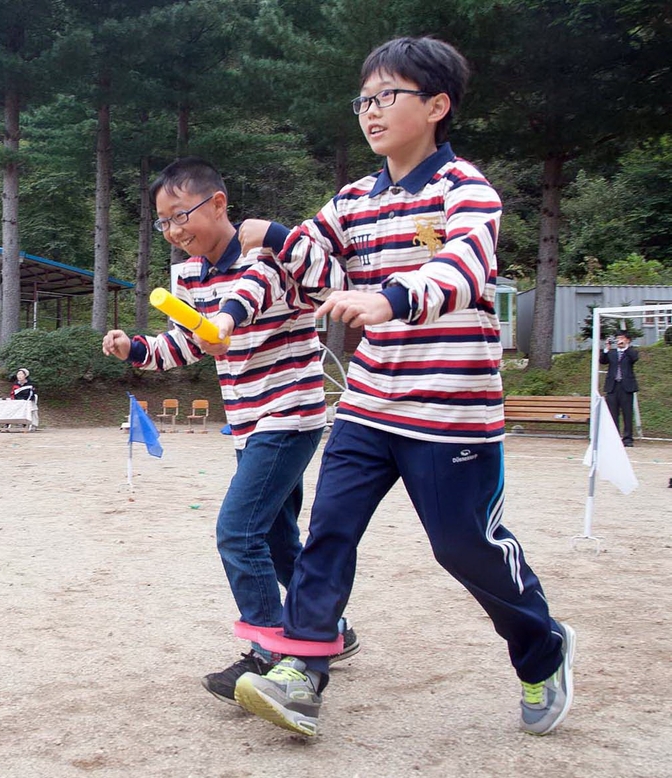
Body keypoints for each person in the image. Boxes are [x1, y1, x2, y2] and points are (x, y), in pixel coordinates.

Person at [216, 36, 574, 738]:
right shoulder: (354, 199)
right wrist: (261, 259)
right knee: (329, 531)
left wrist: (393, 298)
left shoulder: (464, 190)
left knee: (463, 546)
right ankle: (301, 671)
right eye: (364, 100)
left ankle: (543, 649)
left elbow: (465, 266)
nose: (371, 112)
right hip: (369, 402)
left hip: (450, 410)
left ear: (437, 105)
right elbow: (306, 268)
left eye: (388, 97)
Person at [101, 157, 358, 709]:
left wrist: (226, 317)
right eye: (163, 223)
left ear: (218, 203)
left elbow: (261, 296)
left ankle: (268, 650)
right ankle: (330, 627)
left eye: (180, 215)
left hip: (288, 414)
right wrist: (137, 348)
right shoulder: (189, 275)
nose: (173, 231)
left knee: (237, 530)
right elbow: (189, 342)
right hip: (247, 421)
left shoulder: (265, 254)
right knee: (276, 538)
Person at [600, 331, 639, 447]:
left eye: (622, 338)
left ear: (627, 340)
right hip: (612, 386)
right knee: (612, 413)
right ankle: (614, 437)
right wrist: (606, 348)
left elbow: (634, 358)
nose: (619, 341)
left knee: (627, 413)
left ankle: (628, 439)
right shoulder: (612, 353)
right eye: (618, 338)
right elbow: (602, 361)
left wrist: (625, 348)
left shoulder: (630, 352)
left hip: (626, 386)